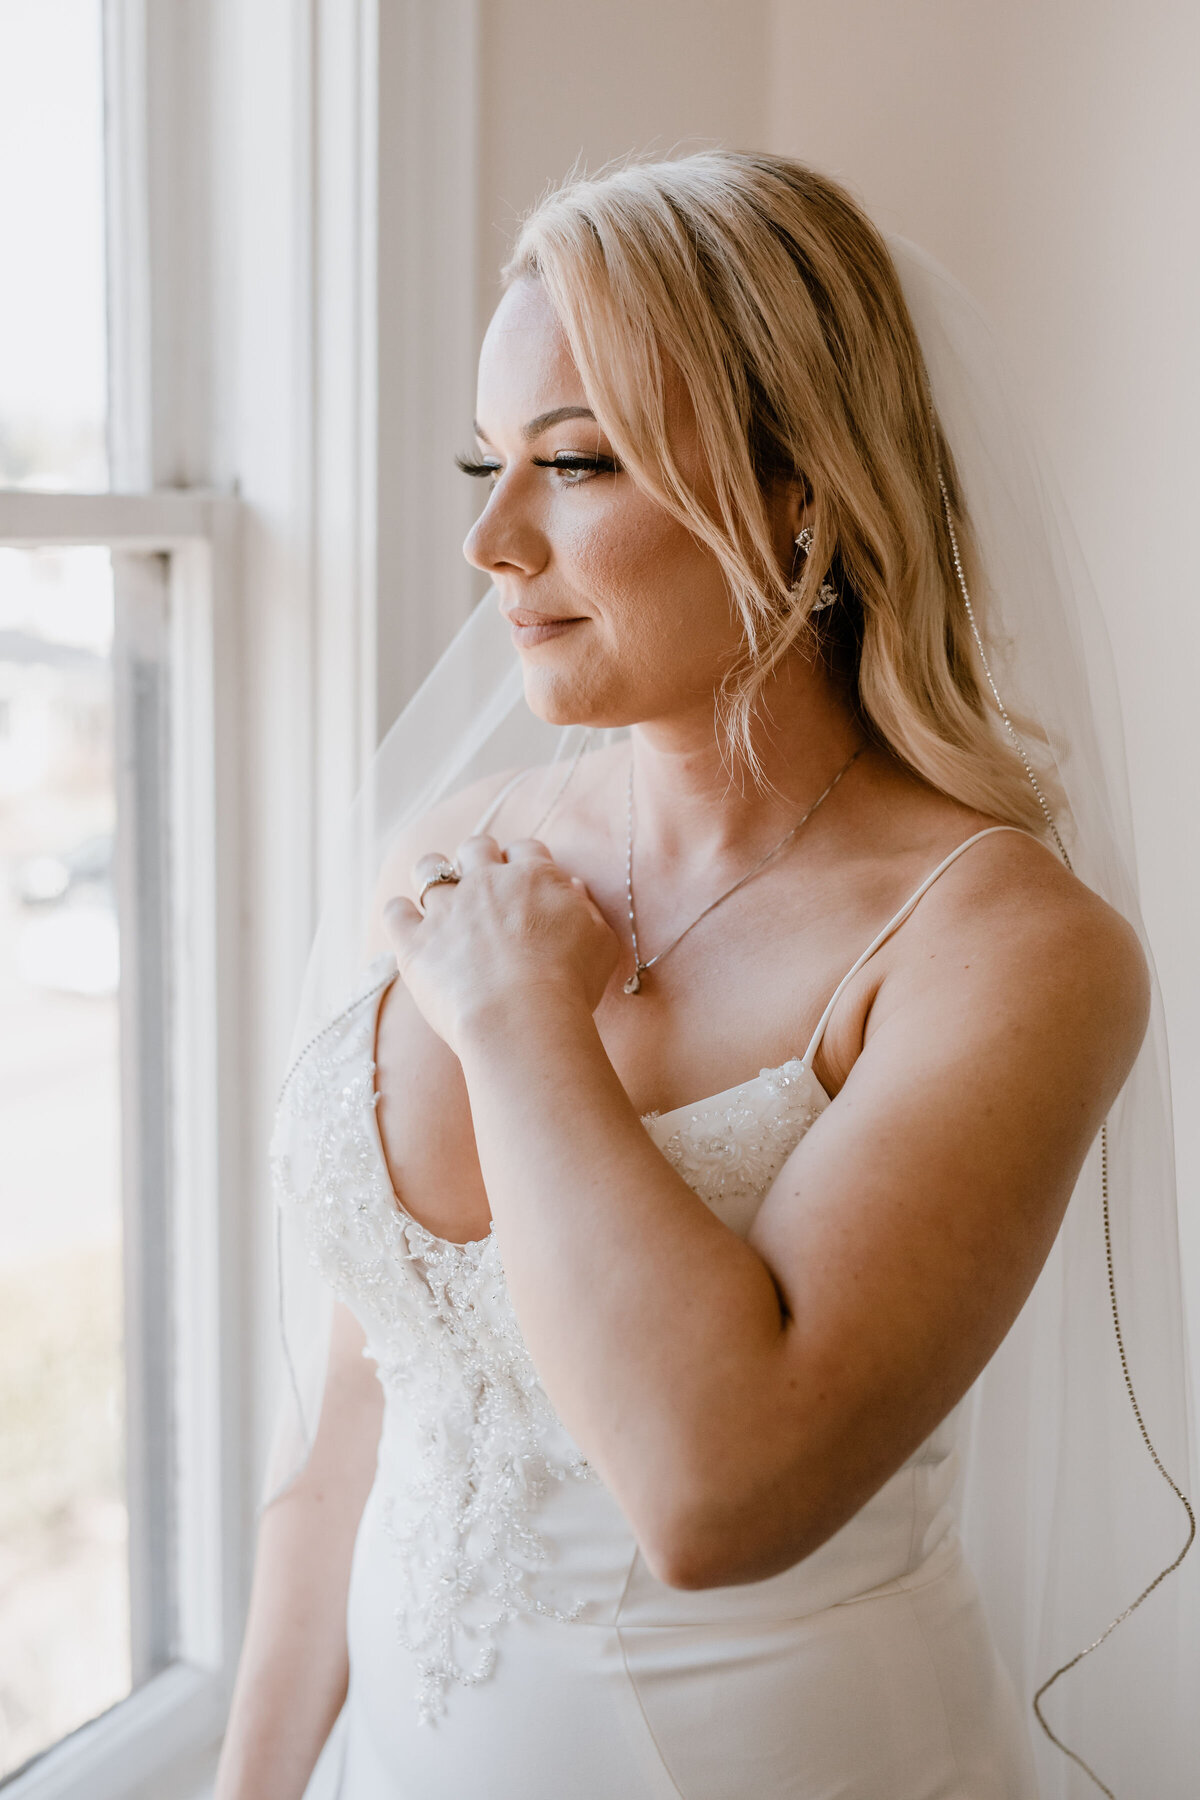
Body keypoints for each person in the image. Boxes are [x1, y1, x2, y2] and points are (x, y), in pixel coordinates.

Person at [215, 153, 1193, 1800]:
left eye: (575, 463)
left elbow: (713, 1495)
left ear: (801, 491)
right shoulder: (449, 849)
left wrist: (525, 1021)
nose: (489, 540)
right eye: (488, 460)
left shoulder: (1002, 945)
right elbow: (348, 1444)